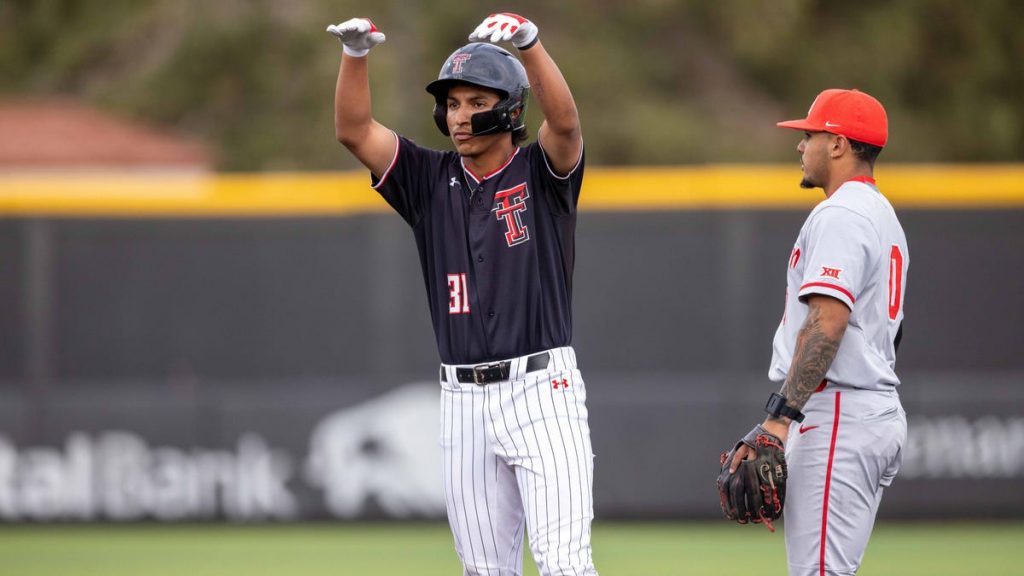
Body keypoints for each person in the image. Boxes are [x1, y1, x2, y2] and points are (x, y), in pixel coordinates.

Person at [327, 13, 597, 576]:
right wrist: (356, 57)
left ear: (510, 108)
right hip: (463, 402)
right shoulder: (429, 180)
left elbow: (566, 125)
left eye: (476, 101)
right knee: (484, 571)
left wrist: (530, 45)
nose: (461, 115)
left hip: (541, 390)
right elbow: (355, 131)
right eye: (452, 103)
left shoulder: (539, 172)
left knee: (564, 564)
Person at [727, 88, 909, 575]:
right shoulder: (880, 213)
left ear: (838, 145)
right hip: (864, 408)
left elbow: (827, 323)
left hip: (840, 413)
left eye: (809, 135)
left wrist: (779, 418)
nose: (800, 146)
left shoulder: (841, 214)